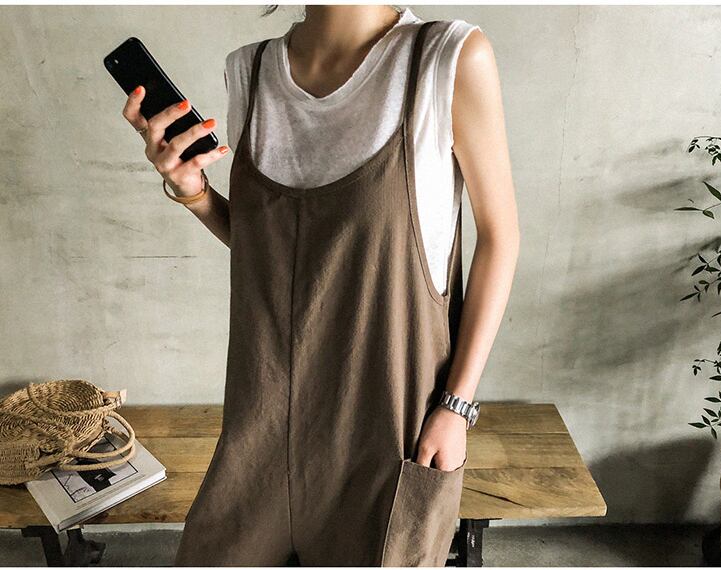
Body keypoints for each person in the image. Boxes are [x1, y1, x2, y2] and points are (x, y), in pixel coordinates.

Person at [121, 5, 519, 566]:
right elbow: (270, 253)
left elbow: (501, 238)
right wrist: (195, 192)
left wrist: (457, 407)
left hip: (388, 430)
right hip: (261, 423)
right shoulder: (250, 71)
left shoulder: (444, 58)